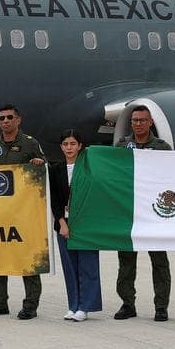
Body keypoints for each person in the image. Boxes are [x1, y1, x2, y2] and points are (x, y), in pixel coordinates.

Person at [0, 104, 47, 320]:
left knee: (28, 258)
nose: (6, 121)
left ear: (19, 120)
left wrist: (39, 163)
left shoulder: (30, 144)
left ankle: (30, 304)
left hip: (24, 214)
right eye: (2, 118)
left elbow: (44, 169)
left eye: (10, 117)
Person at [113, 105, 172, 321]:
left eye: (142, 120)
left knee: (159, 262)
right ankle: (128, 304)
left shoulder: (162, 147)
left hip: (155, 213)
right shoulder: (121, 146)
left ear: (150, 123)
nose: (138, 124)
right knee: (126, 262)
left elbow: (171, 176)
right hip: (128, 212)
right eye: (135, 120)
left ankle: (161, 307)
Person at [50, 130, 101, 321]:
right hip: (65, 224)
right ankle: (73, 305)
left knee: (87, 265)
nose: (69, 148)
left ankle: (85, 307)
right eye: (65, 144)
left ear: (80, 146)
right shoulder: (56, 169)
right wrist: (61, 222)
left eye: (73, 144)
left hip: (86, 223)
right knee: (70, 266)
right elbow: (54, 199)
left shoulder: (89, 168)